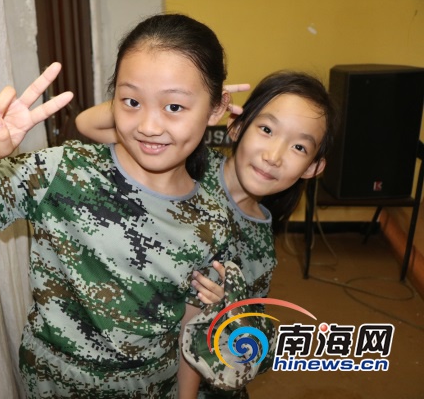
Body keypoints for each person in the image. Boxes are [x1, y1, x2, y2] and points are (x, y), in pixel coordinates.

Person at [0, 13, 259, 398]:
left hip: (154, 386)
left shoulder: (211, 217)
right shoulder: (63, 170)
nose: (149, 125)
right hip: (56, 383)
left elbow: (190, 325)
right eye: (131, 101)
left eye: (174, 107)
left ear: (216, 108)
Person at [76, 70, 337, 398]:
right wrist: (187, 100)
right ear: (237, 126)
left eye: (299, 146)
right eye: (267, 130)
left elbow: (241, 352)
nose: (273, 156)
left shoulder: (260, 251)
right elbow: (88, 124)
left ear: (312, 167)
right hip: (128, 357)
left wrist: (228, 313)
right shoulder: (183, 163)